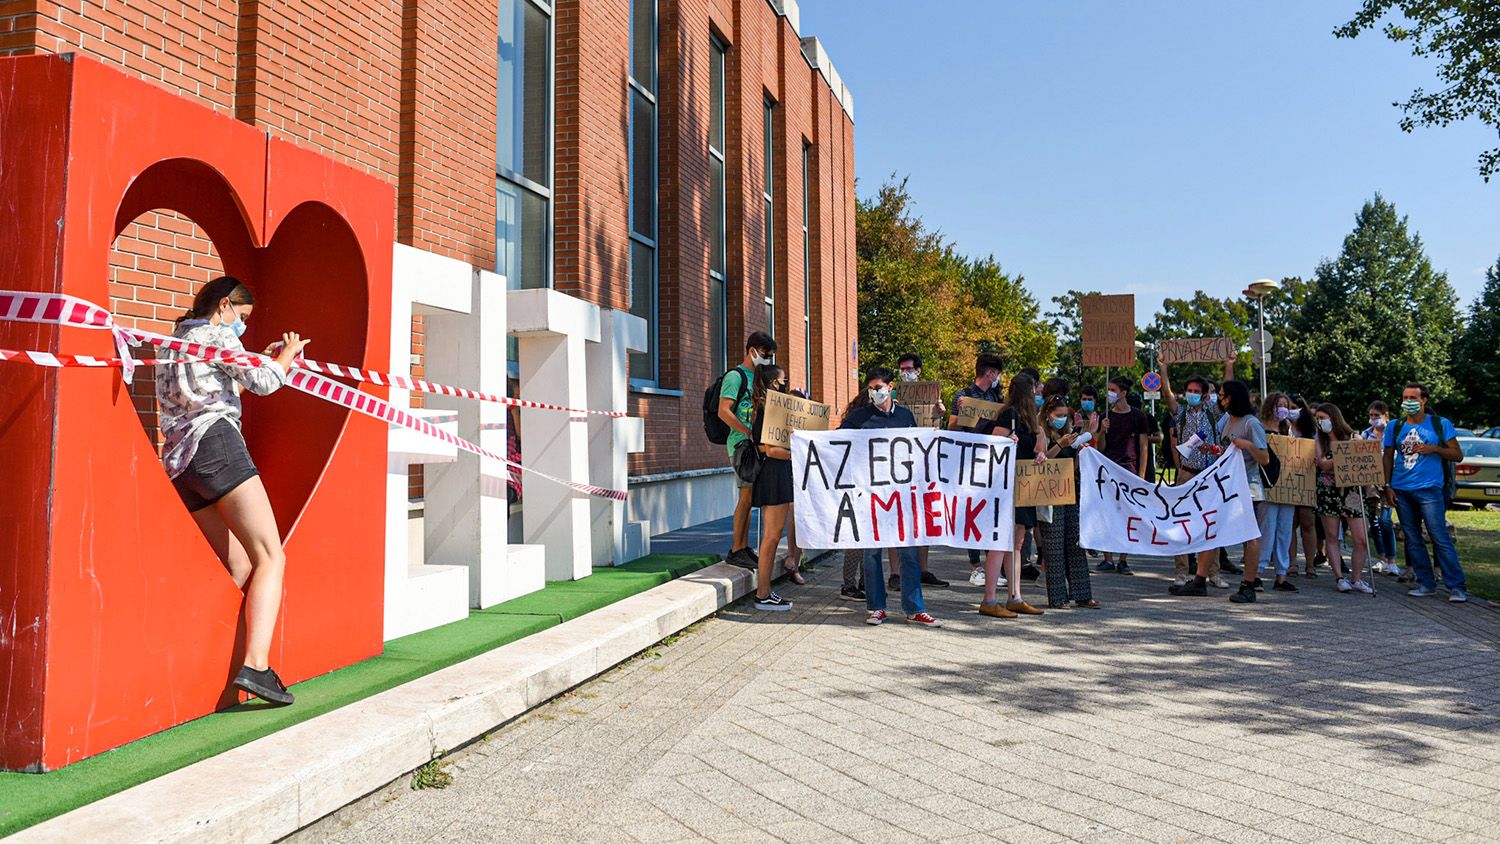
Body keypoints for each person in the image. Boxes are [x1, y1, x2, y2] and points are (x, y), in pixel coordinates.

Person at [157, 276, 310, 705]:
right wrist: (285, 359)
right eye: (241, 317)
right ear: (225, 305)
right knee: (271, 555)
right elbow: (264, 384)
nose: (240, 327)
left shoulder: (176, 340)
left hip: (182, 463)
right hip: (218, 445)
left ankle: (217, 670)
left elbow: (214, 390)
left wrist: (252, 363)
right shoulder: (218, 334)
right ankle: (257, 666)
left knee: (240, 565)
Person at [843, 367, 942, 626]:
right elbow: (836, 443)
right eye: (871, 388)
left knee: (909, 552)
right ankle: (876, 607)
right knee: (871, 553)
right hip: (871, 496)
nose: (875, 392)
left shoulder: (906, 417)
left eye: (879, 387)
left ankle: (914, 608)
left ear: (891, 387)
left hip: (902, 497)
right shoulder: (859, 417)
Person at [1169, 380, 1269, 603]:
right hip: (1226, 487)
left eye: (1223, 396)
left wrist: (1248, 445)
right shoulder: (1229, 422)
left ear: (1233, 398)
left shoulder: (1251, 424)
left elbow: (1264, 457)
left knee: (1249, 536)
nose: (1219, 399)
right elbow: (1228, 450)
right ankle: (1199, 581)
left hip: (1248, 490)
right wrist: (1214, 450)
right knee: (1210, 530)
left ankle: (1249, 584)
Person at [1383, 384, 1468, 602]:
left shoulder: (1440, 425)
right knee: (1412, 538)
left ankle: (1456, 586)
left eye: (1413, 397)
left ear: (1424, 401)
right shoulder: (1395, 426)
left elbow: (1457, 455)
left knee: (1439, 536)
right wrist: (1387, 486)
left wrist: (1435, 449)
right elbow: (1387, 457)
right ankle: (1425, 583)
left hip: (1430, 490)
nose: (1408, 401)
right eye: (1405, 397)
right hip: (1401, 489)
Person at [978, 373, 1046, 619]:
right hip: (1007, 486)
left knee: (1016, 543)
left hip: (1021, 484)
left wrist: (1039, 456)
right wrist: (1006, 439)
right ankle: (989, 599)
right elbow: (992, 442)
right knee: (1002, 542)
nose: (1039, 394)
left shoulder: (1028, 419)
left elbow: (1037, 448)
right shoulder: (1010, 415)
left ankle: (1014, 596)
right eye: (1036, 390)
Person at [888, 354, 949, 591]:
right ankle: (895, 573)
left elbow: (934, 431)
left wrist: (939, 414)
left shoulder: (931, 396)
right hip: (899, 463)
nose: (905, 372)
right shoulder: (893, 395)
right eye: (902, 369)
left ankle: (923, 569)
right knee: (895, 517)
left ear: (919, 371)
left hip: (923, 464)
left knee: (924, 517)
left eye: (909, 369)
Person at [717, 332, 777, 569]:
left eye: (770, 355)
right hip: (741, 445)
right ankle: (736, 549)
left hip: (755, 444)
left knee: (750, 496)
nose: (767, 358)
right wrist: (746, 431)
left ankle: (742, 546)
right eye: (765, 354)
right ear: (752, 350)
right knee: (745, 496)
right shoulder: (736, 377)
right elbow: (724, 411)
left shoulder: (759, 377)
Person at [1163, 371, 1228, 588]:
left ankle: (1213, 572)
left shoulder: (1213, 412)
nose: (1191, 394)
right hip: (1186, 473)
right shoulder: (1180, 413)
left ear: (1204, 395)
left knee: (1210, 522)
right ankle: (1181, 572)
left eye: (1196, 392)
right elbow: (1167, 393)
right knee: (1181, 522)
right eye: (1189, 391)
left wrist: (1228, 365)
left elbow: (1226, 390)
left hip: (1208, 473)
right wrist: (1164, 369)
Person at [949, 353, 1005, 587]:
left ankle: (994, 567)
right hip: (968, 461)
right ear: (990, 373)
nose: (999, 377)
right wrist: (965, 413)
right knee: (970, 511)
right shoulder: (963, 396)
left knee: (989, 511)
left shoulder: (996, 397)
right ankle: (976, 567)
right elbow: (952, 427)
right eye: (997, 373)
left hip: (990, 461)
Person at [1040, 396, 1098, 609]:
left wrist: (1081, 448)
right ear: (1048, 414)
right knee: (1054, 545)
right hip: (1049, 493)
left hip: (1070, 490)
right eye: (1058, 415)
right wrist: (1058, 445)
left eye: (1065, 415)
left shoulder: (1070, 433)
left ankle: (1082, 594)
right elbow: (1042, 460)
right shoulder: (1043, 433)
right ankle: (1058, 597)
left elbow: (1074, 463)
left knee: (1075, 541)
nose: (1062, 419)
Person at [747, 364, 795, 612]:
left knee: (773, 536)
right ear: (774, 384)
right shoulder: (768, 410)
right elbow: (769, 448)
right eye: (783, 380)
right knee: (772, 536)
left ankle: (765, 592)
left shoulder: (766, 409)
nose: (786, 384)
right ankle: (763, 593)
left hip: (776, 474)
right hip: (773, 475)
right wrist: (796, 451)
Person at [1313, 403, 1374, 594]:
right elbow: (1322, 464)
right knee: (1332, 536)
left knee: (1361, 538)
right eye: (1318, 419)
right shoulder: (1320, 441)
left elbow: (1364, 459)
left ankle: (1357, 578)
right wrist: (1344, 455)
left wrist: (1338, 458)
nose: (1321, 422)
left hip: (1352, 492)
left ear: (1334, 418)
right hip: (1328, 492)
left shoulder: (1354, 437)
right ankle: (1339, 577)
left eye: (1323, 418)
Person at [1097, 376, 1148, 576]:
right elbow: (1100, 448)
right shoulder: (1105, 416)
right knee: (1107, 513)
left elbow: (1143, 447)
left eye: (1112, 389)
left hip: (1129, 469)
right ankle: (1107, 558)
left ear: (1123, 393)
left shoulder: (1138, 417)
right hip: (1108, 470)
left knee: (1126, 513)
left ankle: (1123, 559)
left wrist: (1141, 476)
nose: (1109, 393)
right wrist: (1102, 431)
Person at [1257, 393, 1298, 592]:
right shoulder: (1260, 427)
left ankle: (1281, 574)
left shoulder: (1287, 428)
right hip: (1268, 485)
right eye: (1278, 405)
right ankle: (1256, 572)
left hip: (1287, 487)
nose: (1282, 409)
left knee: (1285, 530)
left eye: (1285, 405)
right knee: (1267, 528)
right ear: (1270, 406)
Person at [1363, 402, 1399, 576]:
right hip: (1371, 484)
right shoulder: (1365, 435)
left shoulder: (1393, 434)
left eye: (1376, 415)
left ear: (1386, 415)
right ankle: (1382, 557)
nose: (1373, 419)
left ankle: (1392, 559)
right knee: (1375, 522)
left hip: (1389, 482)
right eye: (1371, 415)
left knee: (1385, 520)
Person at [1287, 395, 1321, 578]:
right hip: (1287, 481)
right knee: (1290, 523)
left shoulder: (1312, 431)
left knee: (1307, 522)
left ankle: (1310, 564)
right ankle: (1292, 562)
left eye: (1294, 407)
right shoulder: (1284, 428)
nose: (1290, 410)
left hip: (1307, 480)